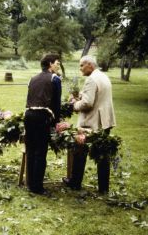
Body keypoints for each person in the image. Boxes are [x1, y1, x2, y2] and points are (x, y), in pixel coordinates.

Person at [63, 55, 116, 194]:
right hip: (105, 121)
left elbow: (88, 103)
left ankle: (75, 182)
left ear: (90, 65)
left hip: (91, 122)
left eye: (81, 65)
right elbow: (95, 95)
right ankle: (103, 188)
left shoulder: (91, 79)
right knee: (102, 154)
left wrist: (74, 104)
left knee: (80, 151)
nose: (80, 68)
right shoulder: (103, 76)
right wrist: (80, 95)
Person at [24, 54, 62, 195]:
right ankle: (37, 187)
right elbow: (56, 104)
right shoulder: (55, 79)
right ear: (50, 64)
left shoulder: (32, 78)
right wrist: (56, 122)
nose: (58, 66)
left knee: (31, 150)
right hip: (42, 117)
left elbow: (29, 99)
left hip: (28, 115)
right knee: (40, 152)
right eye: (57, 63)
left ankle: (30, 183)